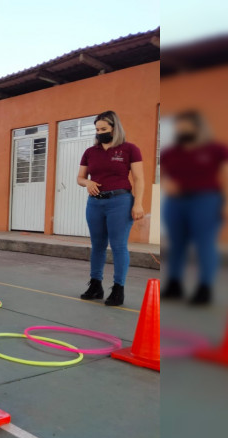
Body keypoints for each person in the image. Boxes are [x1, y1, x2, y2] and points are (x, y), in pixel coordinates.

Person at [159, 111, 228, 305]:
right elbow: (163, 174)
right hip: (176, 203)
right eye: (179, 127)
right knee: (176, 245)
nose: (182, 130)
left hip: (206, 200)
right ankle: (175, 284)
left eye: (186, 126)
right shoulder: (170, 153)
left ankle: (205, 287)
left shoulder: (217, 149)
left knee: (205, 245)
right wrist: (166, 183)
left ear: (198, 127)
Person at [77, 110, 145, 307]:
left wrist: (138, 203)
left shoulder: (130, 149)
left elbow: (139, 179)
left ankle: (118, 289)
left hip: (120, 202)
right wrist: (86, 183)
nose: (100, 132)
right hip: (95, 203)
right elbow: (80, 177)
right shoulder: (90, 152)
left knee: (118, 246)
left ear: (115, 128)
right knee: (97, 245)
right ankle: (95, 285)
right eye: (97, 129)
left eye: (104, 129)